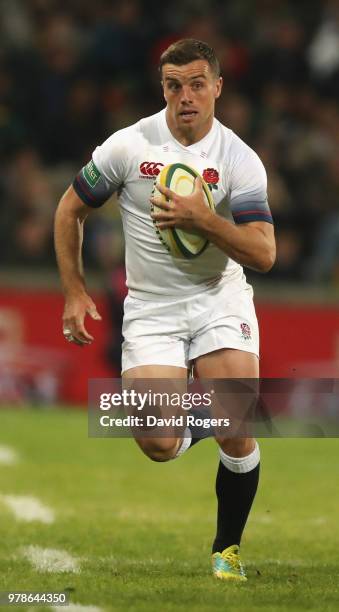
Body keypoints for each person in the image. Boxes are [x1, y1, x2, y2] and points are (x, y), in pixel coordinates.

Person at [54, 39, 276, 582]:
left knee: (238, 424)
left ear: (217, 87)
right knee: (157, 441)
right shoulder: (128, 147)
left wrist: (206, 221)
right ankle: (193, 418)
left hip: (219, 297)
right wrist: (74, 291)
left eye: (198, 84)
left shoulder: (239, 160)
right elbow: (69, 209)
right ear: (163, 89)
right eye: (174, 85)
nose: (186, 97)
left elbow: (264, 252)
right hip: (152, 308)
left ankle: (227, 550)